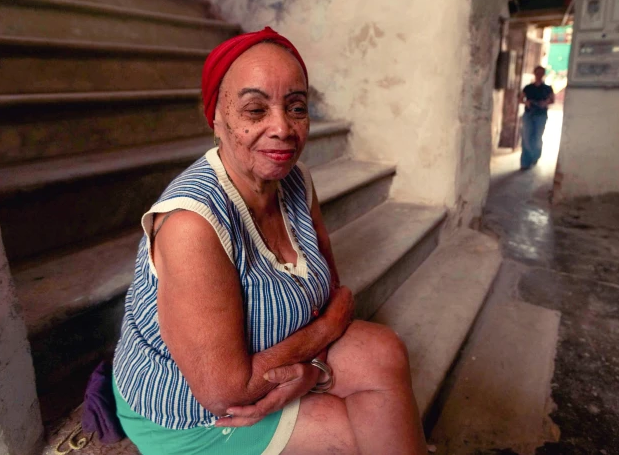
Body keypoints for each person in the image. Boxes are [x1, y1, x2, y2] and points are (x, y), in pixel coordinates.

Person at [112, 27, 427, 455]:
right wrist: (328, 331)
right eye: (255, 110)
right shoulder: (192, 225)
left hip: (272, 362)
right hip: (191, 413)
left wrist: (311, 370)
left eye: (296, 107)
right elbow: (225, 391)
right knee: (358, 439)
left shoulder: (295, 181)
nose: (283, 128)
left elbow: (331, 290)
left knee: (385, 351)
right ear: (217, 119)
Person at [519, 65, 555, 170]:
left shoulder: (547, 88)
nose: (539, 75)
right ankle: (525, 162)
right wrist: (527, 102)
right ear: (534, 73)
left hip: (541, 115)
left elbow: (552, 100)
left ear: (543, 74)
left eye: (541, 73)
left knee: (537, 137)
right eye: (537, 72)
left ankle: (535, 156)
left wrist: (545, 103)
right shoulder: (528, 87)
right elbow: (520, 99)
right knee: (526, 137)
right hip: (529, 114)